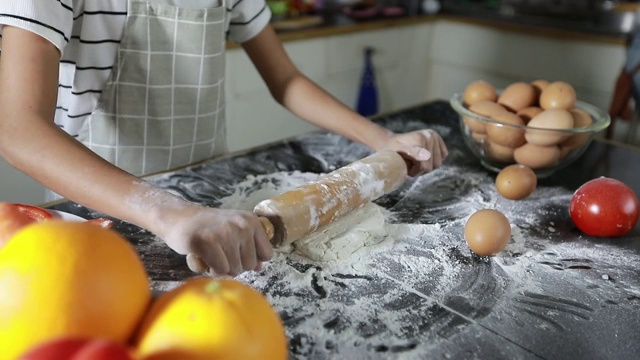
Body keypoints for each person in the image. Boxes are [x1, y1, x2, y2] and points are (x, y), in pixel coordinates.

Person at [0, 0, 448, 276]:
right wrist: (170, 214)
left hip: (213, 205)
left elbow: (286, 79)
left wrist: (381, 138)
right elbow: (17, 127)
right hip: (98, 217)